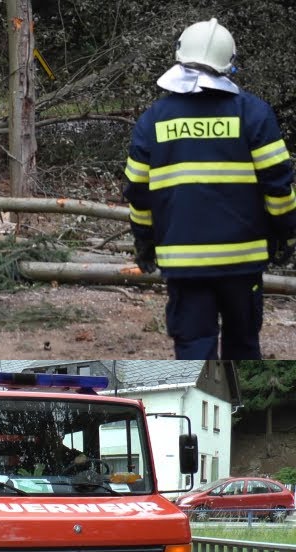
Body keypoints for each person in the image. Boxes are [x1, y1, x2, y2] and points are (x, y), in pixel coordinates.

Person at [123, 18, 296, 359]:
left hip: (183, 264)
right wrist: (285, 234)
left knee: (193, 349)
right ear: (229, 62)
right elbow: (279, 187)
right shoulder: (254, 115)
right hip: (242, 263)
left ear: (180, 56)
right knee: (243, 347)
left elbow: (137, 192)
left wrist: (144, 240)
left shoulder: (153, 120)